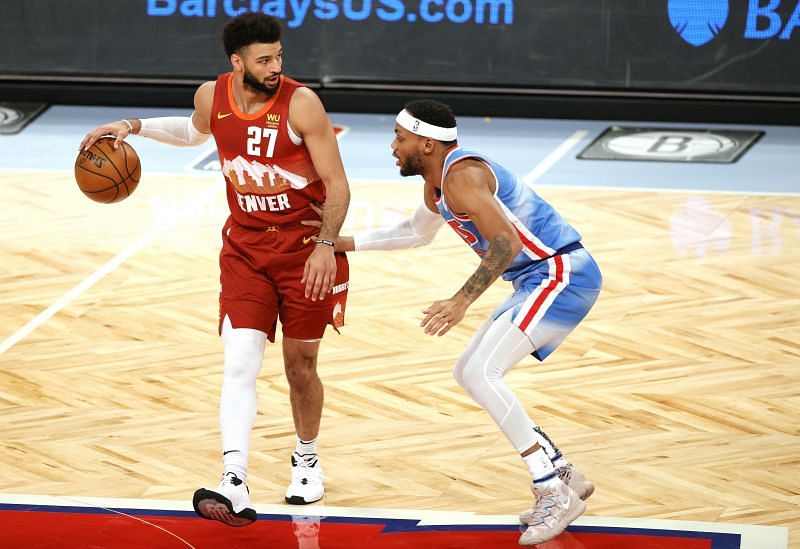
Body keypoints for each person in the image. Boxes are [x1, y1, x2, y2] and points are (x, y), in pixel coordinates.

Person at [80, 13, 350, 526]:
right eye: (264, 58)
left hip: (304, 249)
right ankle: (235, 480)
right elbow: (193, 131)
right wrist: (131, 126)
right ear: (237, 61)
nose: (275, 66)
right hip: (245, 249)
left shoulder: (301, 103)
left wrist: (325, 245)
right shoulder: (213, 94)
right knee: (240, 360)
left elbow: (338, 184)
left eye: (279, 56)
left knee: (301, 367)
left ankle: (307, 456)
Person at [307, 100, 601, 546]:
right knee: (468, 372)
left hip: (561, 274)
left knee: (483, 373)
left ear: (427, 143)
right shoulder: (436, 185)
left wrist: (461, 300)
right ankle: (560, 470)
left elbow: (507, 242)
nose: (392, 147)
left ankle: (551, 488)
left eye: (400, 139)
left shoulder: (462, 176)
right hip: (538, 278)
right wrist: (333, 242)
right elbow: (412, 234)